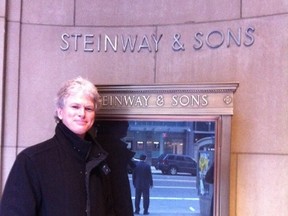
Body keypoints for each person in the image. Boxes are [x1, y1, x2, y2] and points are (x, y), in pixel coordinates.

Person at [0, 76, 133, 216]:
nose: (82, 113)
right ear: (60, 112)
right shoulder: (32, 160)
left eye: (88, 108)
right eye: (75, 106)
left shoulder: (103, 162)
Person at [95, 120, 135, 216]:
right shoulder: (113, 152)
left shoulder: (107, 149)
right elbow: (120, 195)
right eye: (124, 123)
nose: (127, 125)